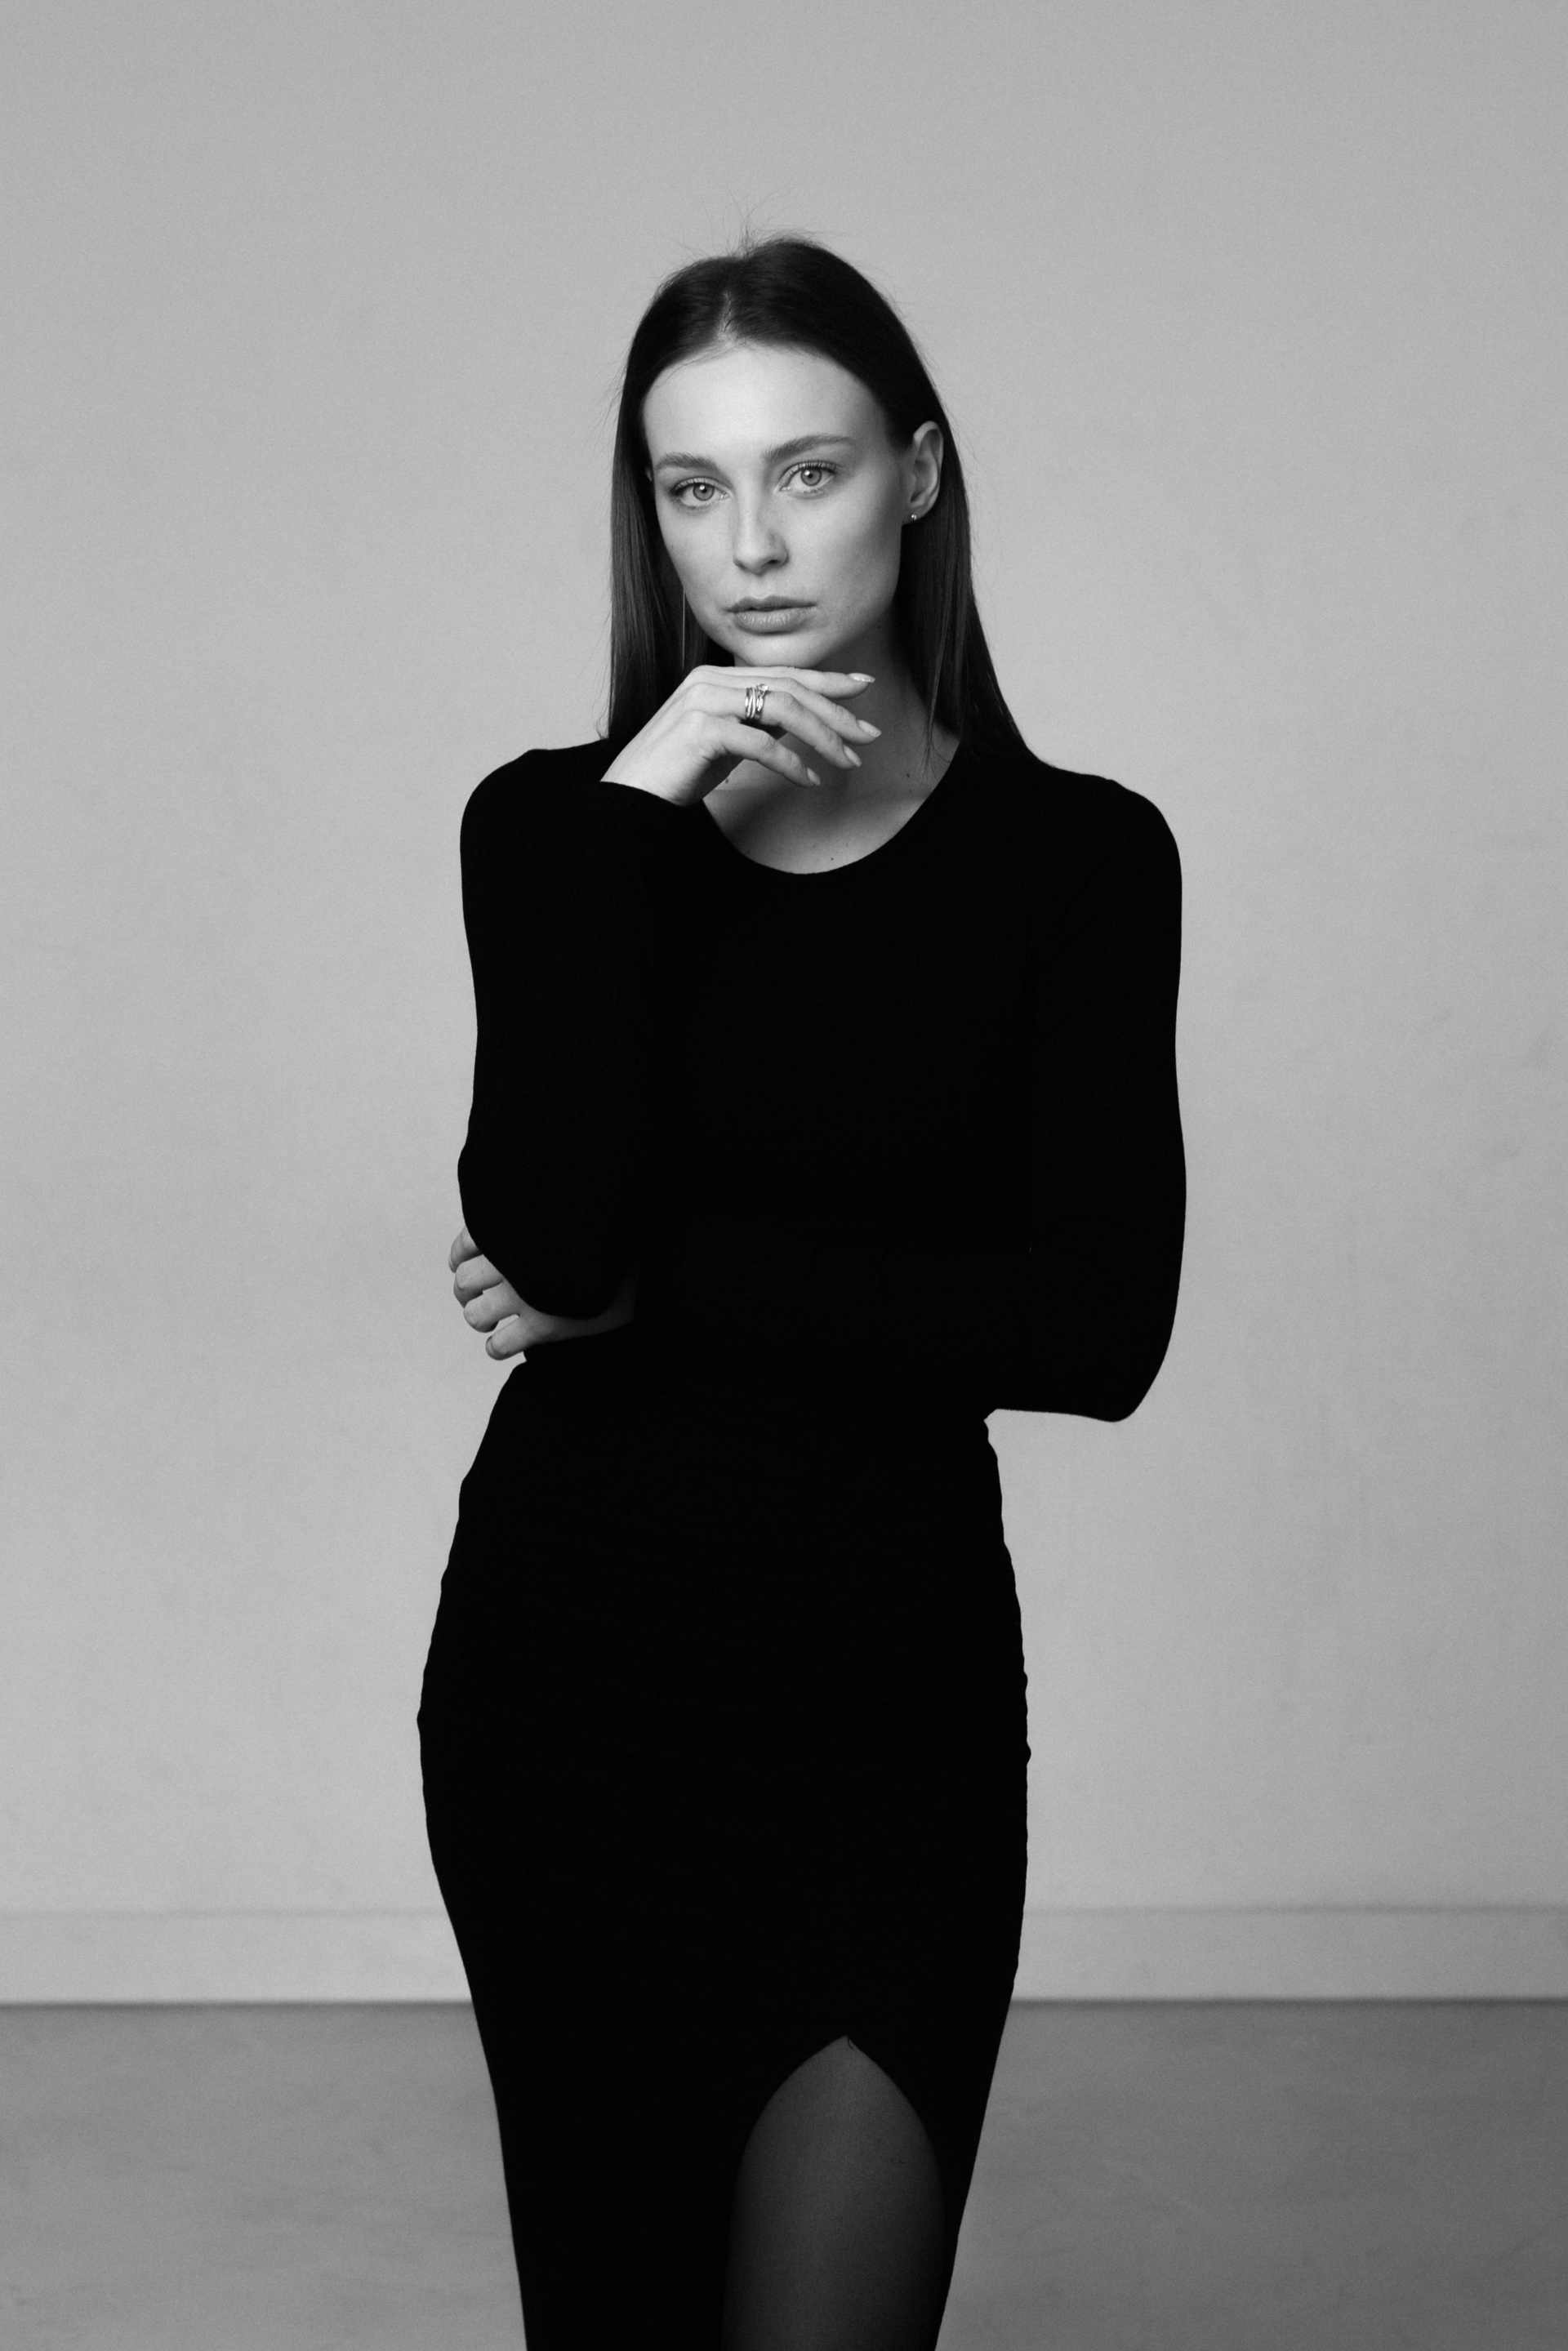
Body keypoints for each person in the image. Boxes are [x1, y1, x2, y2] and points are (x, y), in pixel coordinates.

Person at [418, 234, 1185, 2350]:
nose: (750, 544)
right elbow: (547, 1235)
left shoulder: (1079, 862)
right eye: (693, 487)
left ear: (917, 475)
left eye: (808, 472)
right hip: (571, 1701)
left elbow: (1094, 1331)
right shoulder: (553, 835)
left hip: (882, 1711)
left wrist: (660, 1286)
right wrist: (637, 813)